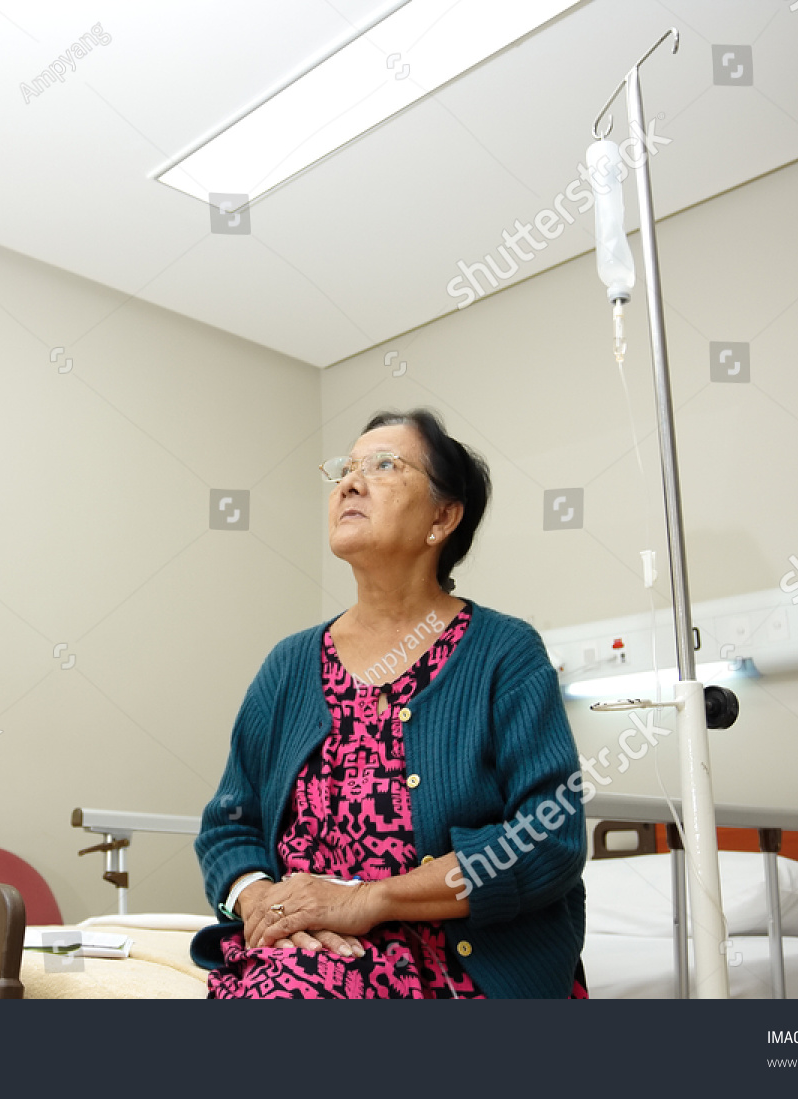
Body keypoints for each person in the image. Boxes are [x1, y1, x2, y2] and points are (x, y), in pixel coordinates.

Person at [190, 408, 588, 998]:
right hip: (298, 950)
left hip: (454, 963)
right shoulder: (290, 665)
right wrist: (261, 903)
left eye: (383, 465)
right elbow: (229, 825)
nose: (350, 483)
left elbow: (548, 839)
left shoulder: (505, 653)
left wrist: (369, 899)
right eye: (345, 469)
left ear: (443, 515)